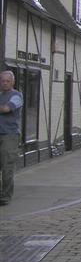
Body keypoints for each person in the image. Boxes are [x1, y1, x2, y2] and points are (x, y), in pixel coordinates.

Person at [0, 71, 23, 206]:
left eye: (7, 81)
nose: (5, 83)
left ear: (12, 82)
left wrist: (4, 108)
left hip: (10, 135)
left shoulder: (16, 96)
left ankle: (5, 196)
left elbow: (7, 109)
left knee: (7, 166)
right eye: (3, 81)